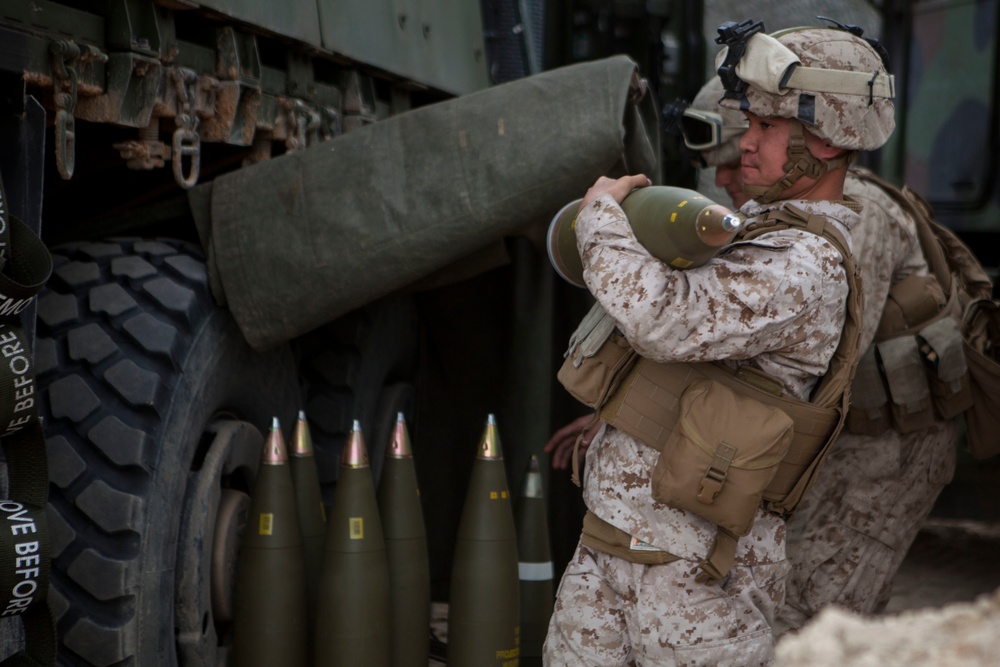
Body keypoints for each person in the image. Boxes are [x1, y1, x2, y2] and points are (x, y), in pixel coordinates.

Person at [543, 22, 895, 666]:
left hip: (695, 588)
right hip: (612, 553)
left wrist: (601, 220)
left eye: (766, 128)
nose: (748, 144)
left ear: (826, 135)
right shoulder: (760, 236)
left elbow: (663, 318)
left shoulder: (806, 262)